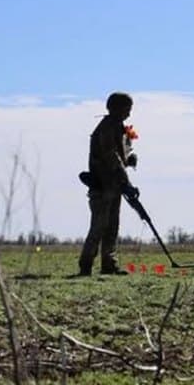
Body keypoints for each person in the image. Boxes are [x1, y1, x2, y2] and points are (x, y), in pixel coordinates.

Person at [77, 91, 139, 276]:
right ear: (115, 108)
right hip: (102, 188)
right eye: (127, 109)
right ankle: (86, 266)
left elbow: (119, 157)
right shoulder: (106, 128)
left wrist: (129, 159)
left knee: (112, 227)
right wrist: (126, 181)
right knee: (99, 226)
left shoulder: (118, 128)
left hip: (114, 186)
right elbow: (111, 158)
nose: (129, 113)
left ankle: (109, 265)